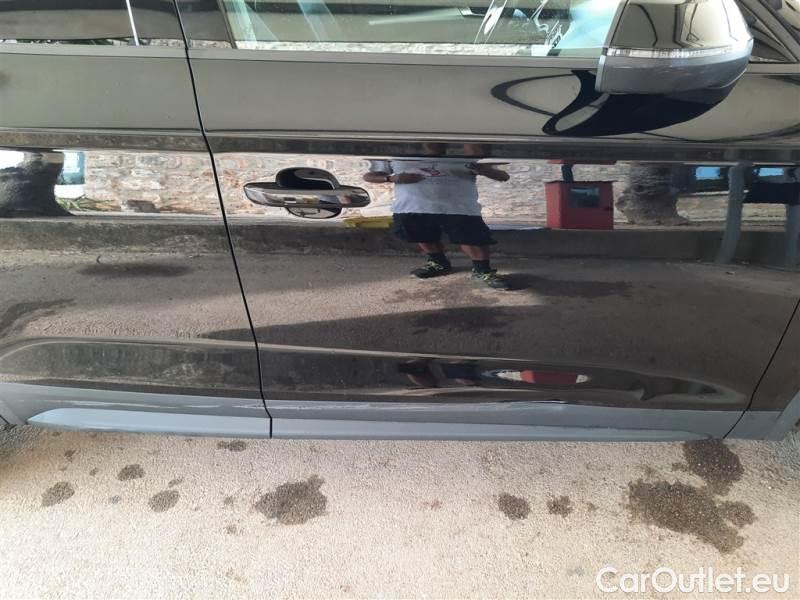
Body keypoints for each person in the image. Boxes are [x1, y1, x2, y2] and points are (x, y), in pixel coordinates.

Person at [363, 143, 511, 290]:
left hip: (459, 207)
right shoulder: (395, 154)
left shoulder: (467, 152)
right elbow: (369, 176)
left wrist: (483, 169)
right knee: (422, 236)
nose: (432, 143)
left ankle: (483, 272)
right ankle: (438, 263)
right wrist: (391, 178)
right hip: (412, 206)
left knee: (473, 240)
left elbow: (503, 176)